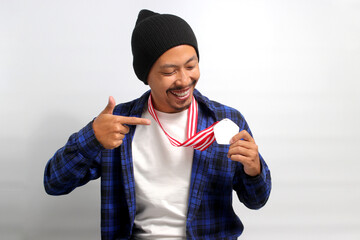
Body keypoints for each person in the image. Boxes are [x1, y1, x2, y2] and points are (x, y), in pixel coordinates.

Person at [44, 9, 271, 240]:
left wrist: (254, 170)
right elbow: (54, 183)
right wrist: (91, 138)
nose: (183, 80)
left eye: (191, 66)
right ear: (146, 76)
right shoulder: (118, 124)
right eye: (169, 71)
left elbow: (256, 201)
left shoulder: (226, 121)